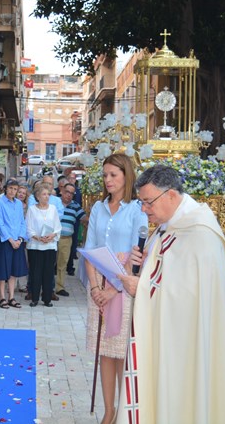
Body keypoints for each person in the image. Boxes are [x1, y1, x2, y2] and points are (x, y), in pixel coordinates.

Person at [116, 165, 225, 424]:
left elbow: (188, 300)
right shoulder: (169, 226)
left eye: (148, 202)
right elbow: (163, 273)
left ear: (171, 195)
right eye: (141, 202)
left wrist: (141, 288)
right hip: (165, 339)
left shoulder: (201, 235)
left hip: (186, 346)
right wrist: (139, 263)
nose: (144, 209)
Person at [84, 154, 147, 424]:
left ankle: (124, 413)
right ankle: (108, 411)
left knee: (122, 352)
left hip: (123, 287)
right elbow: (89, 250)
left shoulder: (137, 209)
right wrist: (96, 288)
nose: (108, 180)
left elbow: (136, 255)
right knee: (105, 352)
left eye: (114, 175)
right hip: (98, 284)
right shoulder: (98, 208)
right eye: (105, 175)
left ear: (126, 176)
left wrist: (113, 290)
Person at [0, 179, 28, 309]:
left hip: (17, 241)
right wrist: (10, 240)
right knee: (3, 270)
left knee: (14, 270)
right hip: (5, 241)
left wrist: (20, 239)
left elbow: (22, 222)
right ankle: (2, 297)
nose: (13, 191)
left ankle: (11, 297)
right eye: (11, 188)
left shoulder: (19, 204)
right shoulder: (0, 203)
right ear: (6, 188)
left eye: (15, 189)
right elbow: (0, 223)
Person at [26, 183, 61, 307]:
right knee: (36, 272)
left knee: (48, 272)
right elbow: (28, 228)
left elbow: (58, 227)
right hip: (35, 246)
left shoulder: (53, 209)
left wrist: (52, 236)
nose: (46, 197)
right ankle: (34, 298)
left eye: (48, 194)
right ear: (37, 196)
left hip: (50, 246)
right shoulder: (32, 209)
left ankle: (47, 299)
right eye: (44, 194)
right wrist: (38, 237)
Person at [56, 183, 86, 297]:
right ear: (62, 191)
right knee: (48, 264)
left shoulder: (76, 206)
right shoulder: (55, 202)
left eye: (71, 193)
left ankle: (59, 287)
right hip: (51, 238)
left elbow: (84, 218)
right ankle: (46, 287)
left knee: (62, 264)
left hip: (65, 239)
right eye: (67, 192)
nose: (69, 195)